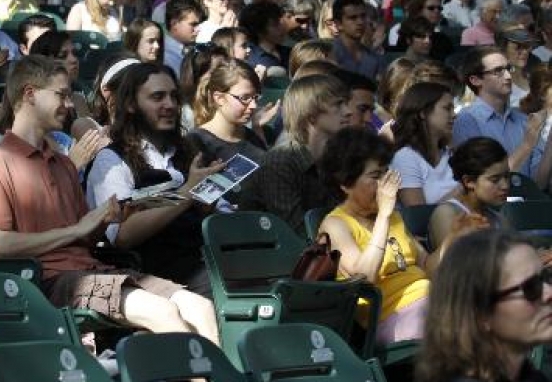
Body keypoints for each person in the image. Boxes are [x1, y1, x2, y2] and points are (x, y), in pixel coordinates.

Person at [0, 55, 219, 342]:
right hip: (51, 282)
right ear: (29, 94)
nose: (69, 105)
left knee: (200, 308)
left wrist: (106, 220)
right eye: (62, 95)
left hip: (96, 270)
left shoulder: (63, 164)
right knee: (162, 311)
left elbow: (85, 237)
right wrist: (76, 230)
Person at [85, 63, 222, 294]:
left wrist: (208, 199)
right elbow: (122, 236)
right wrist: (186, 193)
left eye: (173, 97)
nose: (170, 105)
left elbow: (200, 215)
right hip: (154, 277)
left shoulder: (187, 152)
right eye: (157, 97)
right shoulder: (111, 161)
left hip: (204, 260)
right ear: (130, 105)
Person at [318, 127, 439, 345]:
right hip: (389, 316)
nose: (385, 183)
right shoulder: (335, 225)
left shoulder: (393, 216)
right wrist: (383, 216)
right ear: (346, 183)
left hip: (429, 299)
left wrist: (455, 238)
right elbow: (364, 279)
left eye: (386, 173)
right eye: (375, 176)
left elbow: (427, 265)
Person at [418, 229, 552, 382]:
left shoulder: (532, 380)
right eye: (530, 288)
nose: (549, 293)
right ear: (480, 312)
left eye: (546, 279)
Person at [242, 74, 352, 232]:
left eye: (346, 103)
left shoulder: (336, 158)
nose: (348, 111)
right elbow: (296, 230)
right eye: (338, 104)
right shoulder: (279, 162)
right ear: (311, 114)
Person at [453, 46, 550, 178]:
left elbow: (538, 183)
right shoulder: (466, 120)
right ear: (475, 80)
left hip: (528, 198)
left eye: (508, 69)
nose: (508, 76)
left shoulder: (523, 120)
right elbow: (483, 181)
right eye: (498, 71)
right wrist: (526, 145)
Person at [187, 59, 270, 176]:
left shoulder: (252, 137)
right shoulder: (197, 141)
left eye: (255, 97)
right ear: (219, 98)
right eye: (244, 98)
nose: (253, 105)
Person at [428, 136, 508, 250]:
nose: (505, 186)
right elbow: (452, 262)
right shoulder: (446, 214)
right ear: (469, 181)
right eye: (494, 180)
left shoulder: (499, 219)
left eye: (507, 176)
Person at [391, 82, 459, 206]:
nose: (454, 115)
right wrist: (462, 191)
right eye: (447, 108)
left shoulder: (449, 154)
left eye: (453, 109)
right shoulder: (405, 158)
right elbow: (418, 215)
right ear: (423, 113)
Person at [331, 0, 384, 81]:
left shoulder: (374, 58)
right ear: (338, 24)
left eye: (363, 16)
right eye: (352, 18)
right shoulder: (329, 55)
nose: (360, 22)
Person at [241, 2, 289, 77]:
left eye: (280, 23)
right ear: (259, 30)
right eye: (275, 25)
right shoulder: (252, 59)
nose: (281, 28)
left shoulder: (288, 52)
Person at [162, 0, 204, 76]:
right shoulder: (164, 56)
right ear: (174, 24)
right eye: (193, 24)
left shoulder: (193, 49)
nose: (198, 29)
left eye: (198, 24)